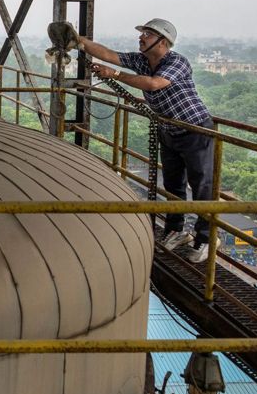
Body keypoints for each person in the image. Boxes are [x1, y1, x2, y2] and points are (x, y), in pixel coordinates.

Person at [72, 19, 215, 263]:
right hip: (168, 130)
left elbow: (154, 83)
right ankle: (175, 230)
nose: (141, 38)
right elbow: (109, 54)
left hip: (194, 130)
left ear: (163, 42)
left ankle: (205, 240)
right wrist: (78, 41)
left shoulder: (176, 62)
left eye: (147, 35)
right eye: (143, 34)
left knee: (201, 186)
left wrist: (114, 74)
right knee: (173, 185)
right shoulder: (141, 61)